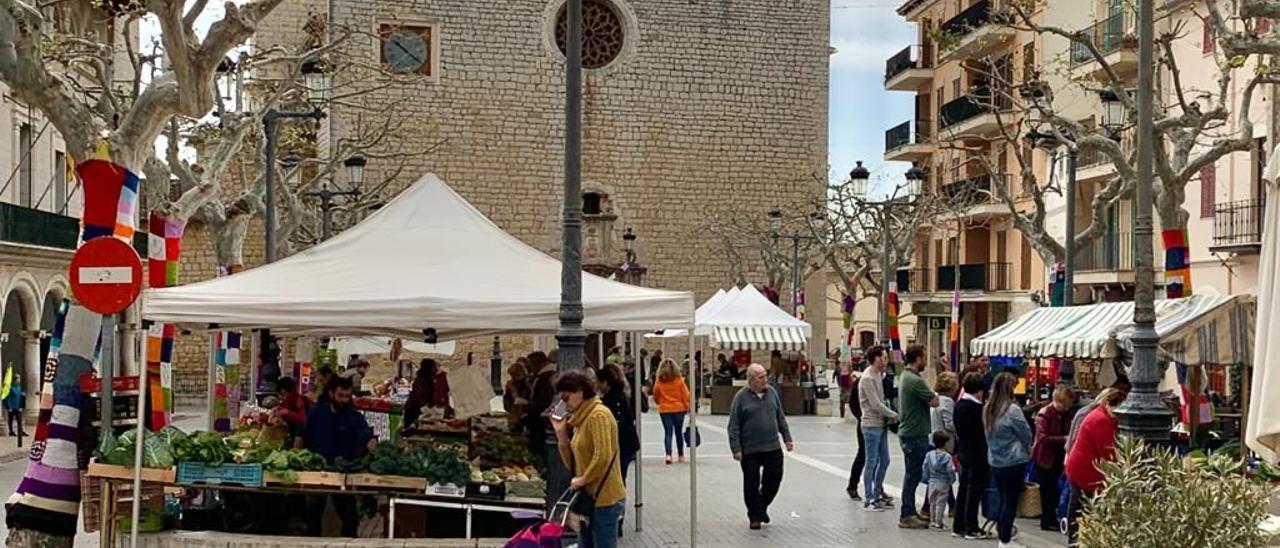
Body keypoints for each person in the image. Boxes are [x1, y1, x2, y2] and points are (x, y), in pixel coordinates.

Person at [551, 370, 625, 548]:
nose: (563, 402)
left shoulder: (598, 415)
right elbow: (573, 464)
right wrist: (561, 435)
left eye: (566, 397)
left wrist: (584, 479)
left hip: (604, 498)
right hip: (588, 498)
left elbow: (603, 455)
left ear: (580, 392)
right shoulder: (580, 419)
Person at [296, 376, 376, 537]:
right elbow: (301, 435)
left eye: (348, 396)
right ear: (331, 394)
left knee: (350, 519)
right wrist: (294, 456)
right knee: (312, 517)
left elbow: (366, 437)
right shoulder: (317, 413)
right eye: (341, 396)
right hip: (317, 472)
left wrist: (375, 450)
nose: (345, 400)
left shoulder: (355, 418)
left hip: (343, 474)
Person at [727, 364, 794, 530]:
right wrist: (736, 448)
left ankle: (761, 506)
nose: (765, 380)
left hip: (772, 446)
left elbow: (780, 417)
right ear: (751, 380)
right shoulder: (741, 398)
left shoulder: (772, 393)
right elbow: (733, 425)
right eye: (761, 377)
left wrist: (787, 438)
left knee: (774, 479)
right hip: (750, 449)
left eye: (766, 376)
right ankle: (754, 516)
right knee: (751, 483)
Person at [1064, 387, 1126, 546]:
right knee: (1080, 505)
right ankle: (1075, 538)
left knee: (1078, 503)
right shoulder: (1101, 420)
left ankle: (1077, 536)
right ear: (1107, 404)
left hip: (1082, 467)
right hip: (1084, 470)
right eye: (1117, 409)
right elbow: (1108, 452)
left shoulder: (1101, 415)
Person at [984, 372, 1033, 548]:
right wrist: (1028, 447)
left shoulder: (989, 408)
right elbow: (1025, 432)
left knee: (1003, 497)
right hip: (1013, 459)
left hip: (995, 460)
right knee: (1010, 500)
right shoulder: (1011, 409)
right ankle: (1005, 538)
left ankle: (1003, 534)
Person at [896, 344, 940, 529]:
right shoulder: (915, 380)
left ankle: (911, 512)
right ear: (918, 359)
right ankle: (907, 514)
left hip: (909, 433)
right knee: (913, 475)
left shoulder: (905, 377)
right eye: (923, 357)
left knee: (912, 474)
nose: (925, 361)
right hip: (915, 434)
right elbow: (935, 401)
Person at [857, 346, 897, 512]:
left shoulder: (878, 375)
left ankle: (877, 492)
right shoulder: (867, 378)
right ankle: (869, 499)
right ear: (877, 359)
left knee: (885, 460)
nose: (886, 361)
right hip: (871, 424)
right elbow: (875, 404)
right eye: (884, 358)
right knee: (871, 461)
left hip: (881, 424)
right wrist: (894, 414)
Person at [1031, 385, 1075, 532]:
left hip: (1057, 457)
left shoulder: (1065, 415)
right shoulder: (1045, 414)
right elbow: (1043, 438)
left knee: (1054, 489)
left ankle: (1052, 518)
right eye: (1067, 404)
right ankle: (1047, 520)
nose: (1068, 408)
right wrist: (1064, 439)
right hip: (1045, 458)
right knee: (1047, 490)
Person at [953, 372, 990, 541]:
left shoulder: (959, 405)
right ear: (979, 391)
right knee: (974, 491)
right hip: (976, 452)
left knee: (963, 488)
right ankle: (971, 526)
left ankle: (958, 525)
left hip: (964, 450)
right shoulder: (976, 408)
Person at [598, 363, 640, 483]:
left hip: (622, 443)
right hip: (624, 443)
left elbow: (619, 422)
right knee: (619, 476)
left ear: (605, 383)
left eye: (599, 382)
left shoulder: (615, 399)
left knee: (619, 477)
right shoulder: (619, 395)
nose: (597, 386)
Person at [652, 359, 692, 464]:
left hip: (665, 409)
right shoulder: (679, 381)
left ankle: (668, 455)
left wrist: (659, 403)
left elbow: (656, 395)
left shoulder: (659, 382)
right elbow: (686, 395)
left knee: (668, 433)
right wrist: (688, 407)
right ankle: (681, 455)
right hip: (679, 409)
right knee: (678, 432)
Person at [921, 431, 956, 530]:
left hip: (932, 481)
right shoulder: (947, 456)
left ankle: (932, 521)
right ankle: (939, 522)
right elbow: (950, 469)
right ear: (945, 443)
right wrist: (952, 480)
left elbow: (925, 466)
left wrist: (928, 477)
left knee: (932, 502)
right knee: (941, 503)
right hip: (943, 482)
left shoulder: (929, 454)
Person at [844, 365, 867, 501]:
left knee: (879, 459)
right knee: (863, 455)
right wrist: (860, 416)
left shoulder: (879, 379)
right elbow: (853, 403)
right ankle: (852, 486)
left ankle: (878, 488)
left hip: (876, 423)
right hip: (865, 422)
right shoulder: (862, 381)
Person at [271, 376, 309, 441]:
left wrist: (288, 413)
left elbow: (303, 418)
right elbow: (281, 408)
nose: (280, 397)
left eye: (283, 394)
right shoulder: (286, 401)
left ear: (292, 392)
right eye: (279, 394)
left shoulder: (300, 400)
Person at [503, 359, 531, 429]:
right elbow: (507, 400)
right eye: (512, 375)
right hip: (514, 413)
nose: (514, 378)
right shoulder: (511, 384)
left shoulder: (528, 383)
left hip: (526, 413)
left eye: (516, 375)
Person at [5, 376, 24, 441]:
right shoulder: (10, 388)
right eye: (18, 379)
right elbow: (8, 398)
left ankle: (21, 431)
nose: (19, 380)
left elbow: (20, 397)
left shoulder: (19, 387)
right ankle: (11, 431)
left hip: (18, 407)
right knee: (10, 420)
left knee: (19, 419)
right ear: (15, 380)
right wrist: (9, 407)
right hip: (12, 407)